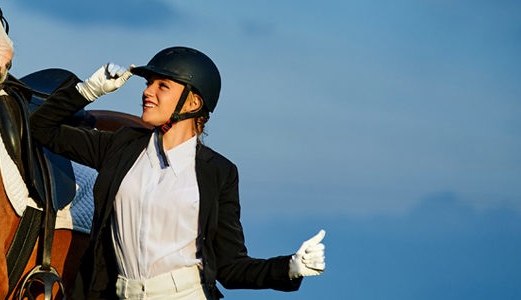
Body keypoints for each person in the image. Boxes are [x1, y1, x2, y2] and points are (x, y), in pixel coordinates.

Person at [30, 46, 326, 299]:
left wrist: (289, 267)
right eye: (149, 84)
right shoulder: (119, 146)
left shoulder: (219, 173)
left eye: (162, 86)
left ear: (193, 102)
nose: (147, 91)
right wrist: (88, 90)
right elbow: (41, 128)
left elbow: (230, 267)